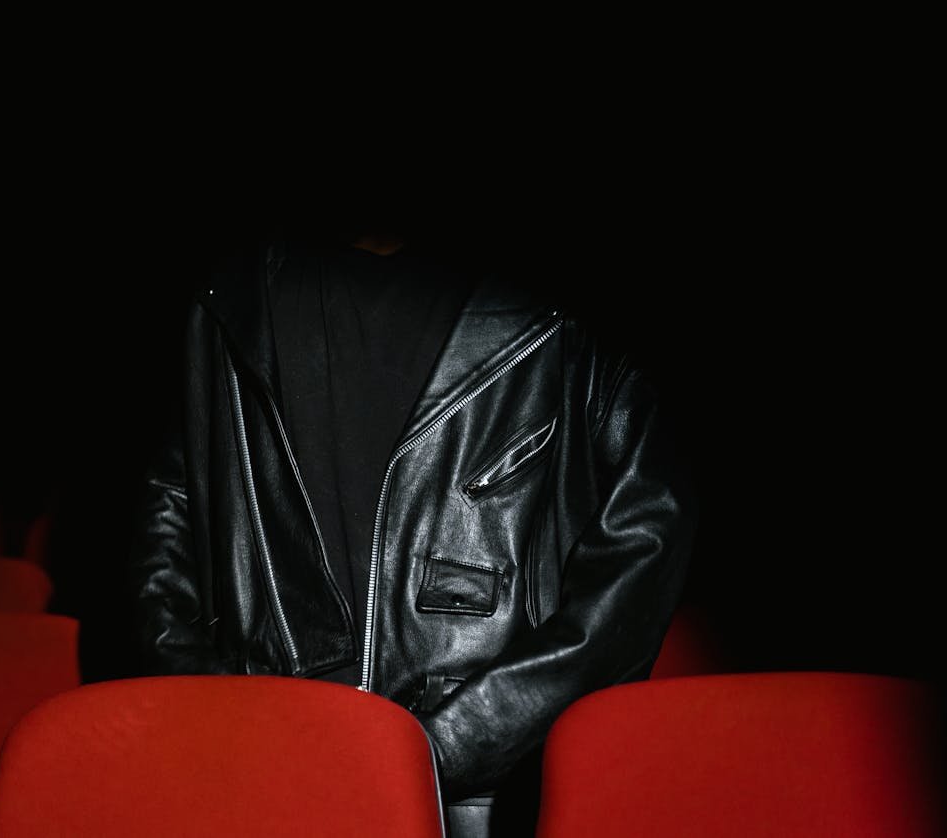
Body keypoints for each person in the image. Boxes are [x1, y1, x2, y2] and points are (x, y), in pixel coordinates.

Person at [126, 223, 698, 837]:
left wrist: (448, 744)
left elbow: (642, 552)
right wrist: (225, 715)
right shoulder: (229, 295)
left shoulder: (575, 313)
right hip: (264, 772)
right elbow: (167, 514)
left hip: (477, 792)